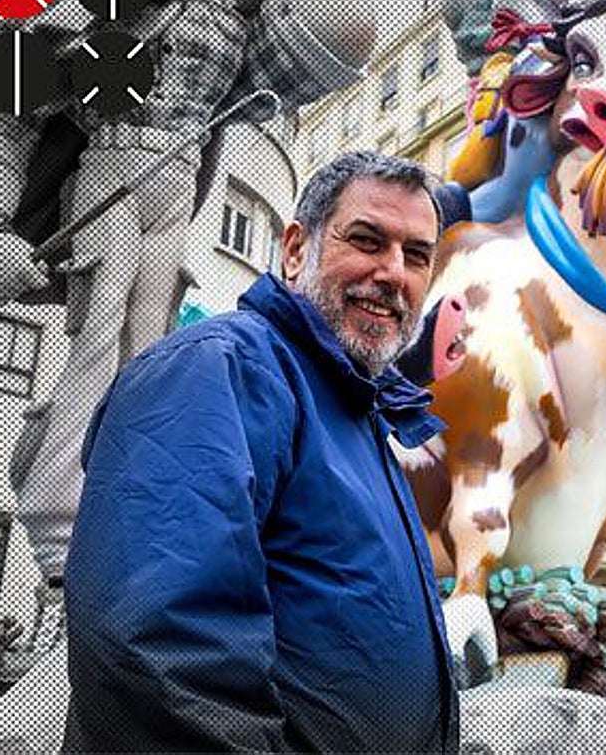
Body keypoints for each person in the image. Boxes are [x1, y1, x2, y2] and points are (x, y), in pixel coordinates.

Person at [61, 151, 457, 752]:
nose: (394, 273)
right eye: (367, 241)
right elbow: (159, 645)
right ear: (295, 250)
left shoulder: (360, 418)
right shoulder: (218, 369)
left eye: (417, 255)